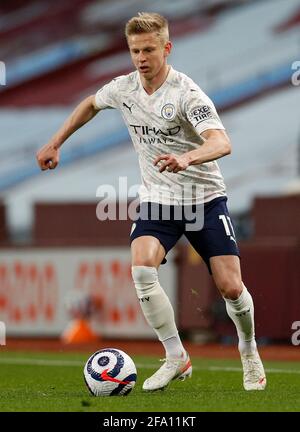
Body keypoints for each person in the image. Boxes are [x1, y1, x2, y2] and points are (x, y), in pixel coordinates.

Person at [36, 12, 266, 392]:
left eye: (148, 50)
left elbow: (222, 142)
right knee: (142, 267)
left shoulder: (186, 94)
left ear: (166, 48)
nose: (141, 58)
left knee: (230, 287)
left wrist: (188, 158)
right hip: (158, 199)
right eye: (134, 50)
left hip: (203, 198)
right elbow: (90, 104)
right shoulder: (124, 88)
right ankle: (176, 356)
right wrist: (55, 142)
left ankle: (248, 349)